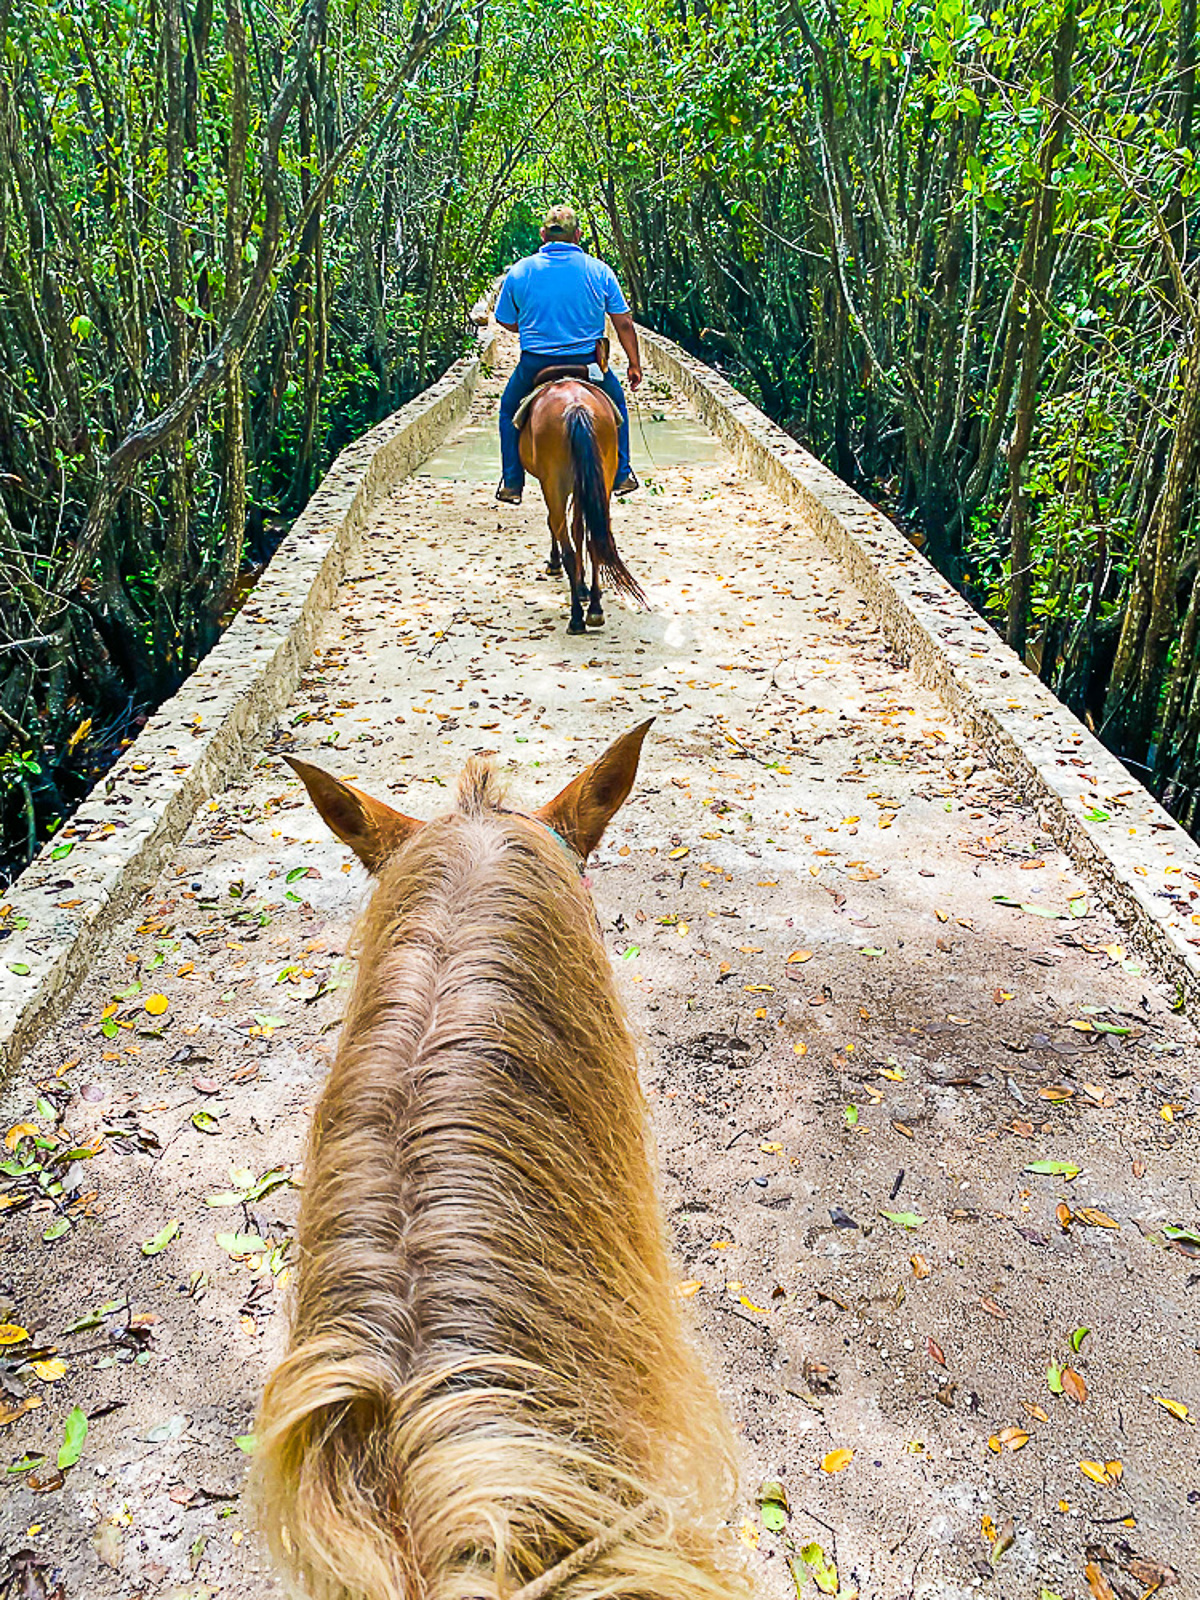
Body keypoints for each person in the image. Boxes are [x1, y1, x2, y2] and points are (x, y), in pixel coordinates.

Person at [494, 204, 641, 504]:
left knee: (509, 408)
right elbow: (623, 321)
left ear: (543, 234)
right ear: (578, 235)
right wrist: (634, 364)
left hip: (535, 363)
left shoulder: (520, 271)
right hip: (588, 363)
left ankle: (512, 480)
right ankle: (622, 472)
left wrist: (530, 326)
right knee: (618, 407)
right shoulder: (599, 270)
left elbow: (505, 320)